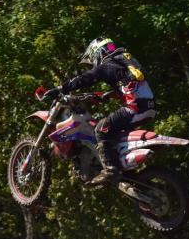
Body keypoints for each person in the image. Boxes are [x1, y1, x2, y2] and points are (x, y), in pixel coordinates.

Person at [47, 38, 155, 184]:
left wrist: (60, 89)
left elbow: (85, 78)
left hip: (135, 108)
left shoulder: (106, 65)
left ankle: (111, 170)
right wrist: (107, 95)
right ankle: (126, 171)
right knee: (114, 134)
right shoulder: (124, 60)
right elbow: (130, 86)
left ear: (97, 52)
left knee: (101, 129)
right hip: (149, 107)